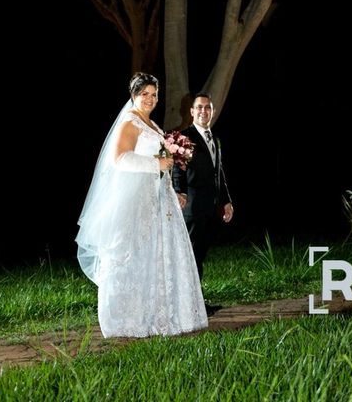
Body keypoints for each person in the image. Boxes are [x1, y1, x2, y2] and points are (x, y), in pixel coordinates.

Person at [76, 73, 207, 338]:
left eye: (154, 94)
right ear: (133, 95)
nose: (150, 99)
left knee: (159, 254)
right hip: (137, 200)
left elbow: (162, 161)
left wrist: (172, 186)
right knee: (133, 255)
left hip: (160, 198)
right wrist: (155, 164)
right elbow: (120, 158)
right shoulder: (130, 122)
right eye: (144, 93)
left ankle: (165, 315)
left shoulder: (154, 126)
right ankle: (127, 319)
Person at [172, 93, 234, 281]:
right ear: (192, 111)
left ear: (212, 112)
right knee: (190, 257)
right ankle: (190, 298)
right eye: (199, 107)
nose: (203, 111)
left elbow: (218, 171)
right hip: (192, 207)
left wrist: (226, 201)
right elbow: (177, 169)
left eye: (208, 107)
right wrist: (179, 192)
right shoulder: (184, 137)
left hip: (209, 208)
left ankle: (196, 297)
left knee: (199, 255)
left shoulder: (214, 138)